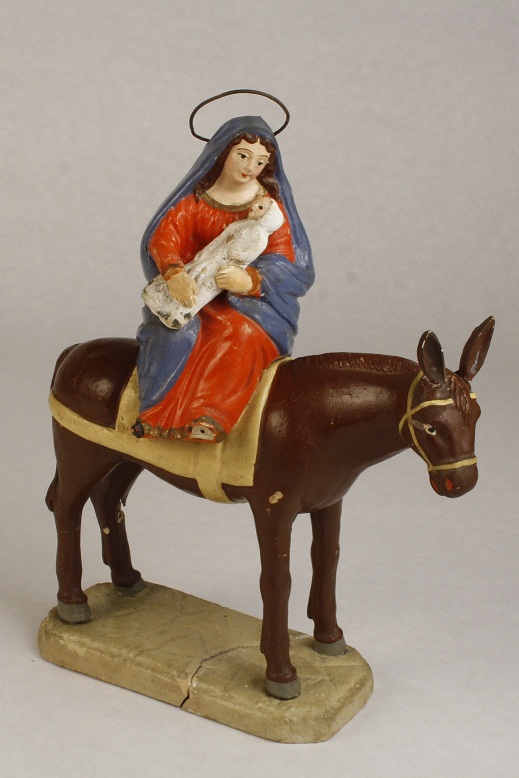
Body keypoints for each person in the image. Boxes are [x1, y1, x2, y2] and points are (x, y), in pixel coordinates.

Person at [133, 115, 314, 443]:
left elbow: (288, 263)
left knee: (240, 334)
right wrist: (174, 273)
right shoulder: (197, 200)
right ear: (222, 153)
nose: (249, 167)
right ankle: (156, 415)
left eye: (260, 162)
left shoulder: (269, 209)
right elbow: (165, 237)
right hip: (193, 294)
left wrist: (251, 281)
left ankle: (209, 416)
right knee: (177, 332)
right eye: (242, 155)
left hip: (247, 304)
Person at [141, 197, 284, 330]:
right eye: (255, 205)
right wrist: (175, 271)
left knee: (202, 288)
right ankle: (161, 303)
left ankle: (178, 314)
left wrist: (248, 281)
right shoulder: (240, 224)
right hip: (211, 257)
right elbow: (166, 236)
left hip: (226, 273)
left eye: (260, 208)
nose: (253, 208)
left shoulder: (260, 235)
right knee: (193, 275)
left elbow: (276, 268)